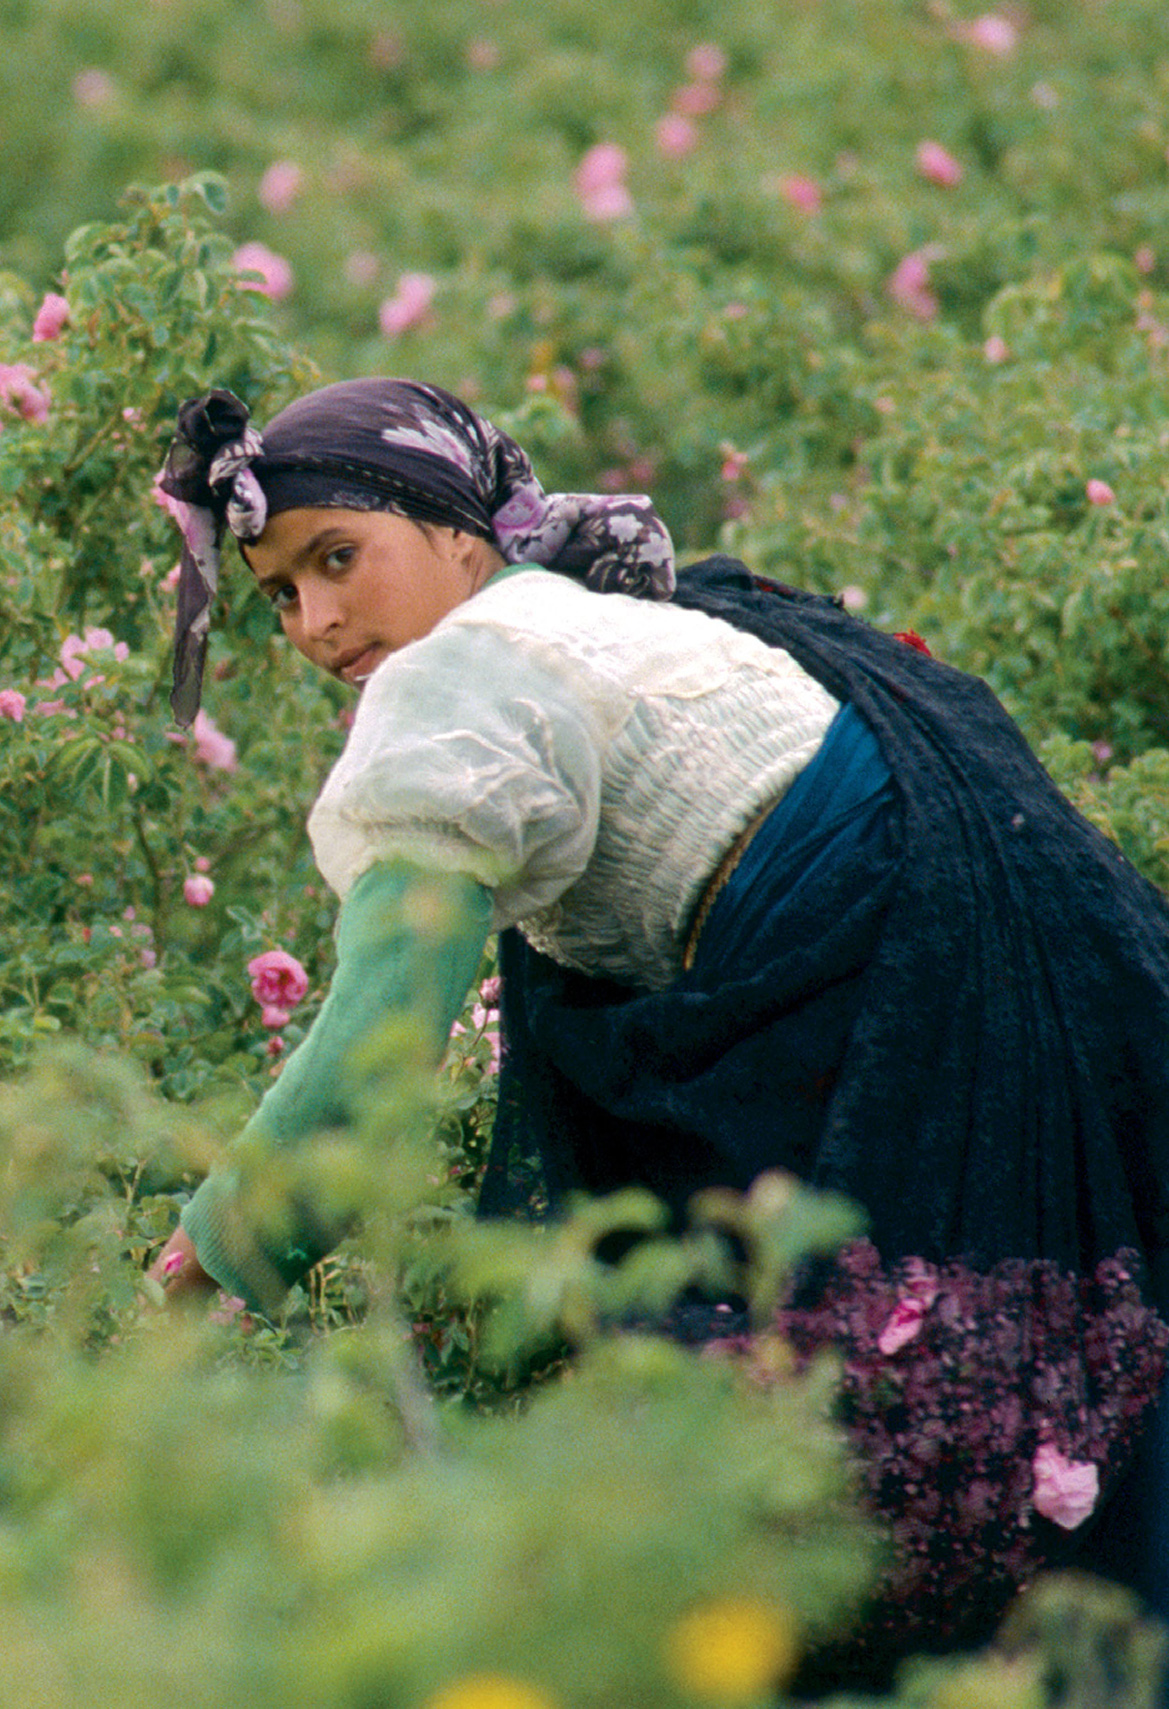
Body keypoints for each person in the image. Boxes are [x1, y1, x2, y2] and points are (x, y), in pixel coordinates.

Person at [148, 378, 1169, 1671]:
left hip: (900, 973)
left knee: (890, 1449)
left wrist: (214, 1248)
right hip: (1000, 949)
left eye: (338, 557)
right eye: (281, 593)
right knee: (1056, 1391)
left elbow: (385, 1019)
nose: (318, 619)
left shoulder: (458, 675)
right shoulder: (606, 622)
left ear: (461, 531)